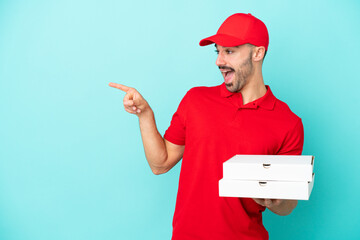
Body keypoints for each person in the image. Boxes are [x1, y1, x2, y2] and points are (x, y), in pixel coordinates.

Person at [109, 13, 304, 240]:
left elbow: (288, 205)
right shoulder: (196, 100)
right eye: (217, 51)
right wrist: (144, 115)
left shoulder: (288, 123)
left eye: (229, 51)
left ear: (257, 53)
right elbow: (160, 164)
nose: (219, 61)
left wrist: (274, 201)